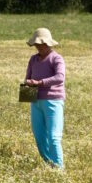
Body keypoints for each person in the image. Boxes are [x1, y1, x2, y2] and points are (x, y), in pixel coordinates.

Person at [24, 27, 65, 169]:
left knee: (53, 137)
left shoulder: (57, 58)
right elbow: (28, 78)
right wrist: (28, 85)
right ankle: (49, 165)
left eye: (41, 44)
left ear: (48, 44)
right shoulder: (33, 59)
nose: (38, 47)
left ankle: (59, 169)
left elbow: (60, 77)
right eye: (36, 45)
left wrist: (40, 83)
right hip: (35, 101)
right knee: (39, 137)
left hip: (53, 101)